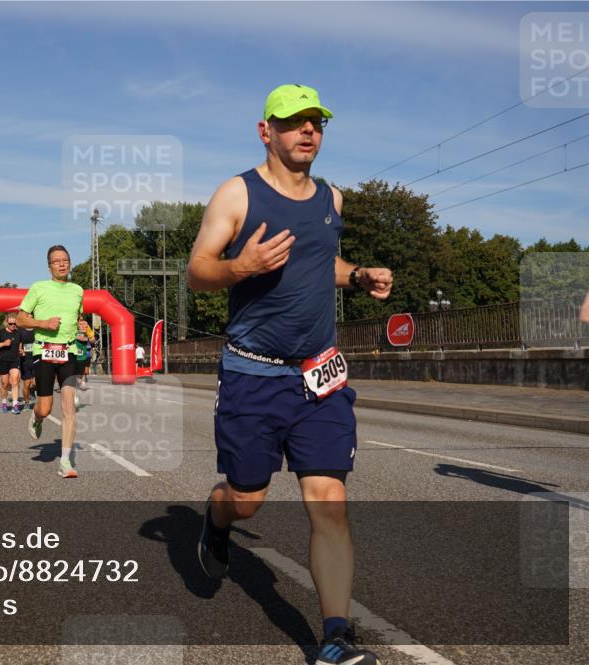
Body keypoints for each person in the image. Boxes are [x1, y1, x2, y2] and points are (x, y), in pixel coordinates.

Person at [187, 84, 393, 665]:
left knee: (328, 499)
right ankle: (218, 515)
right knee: (248, 499)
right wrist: (240, 266)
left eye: (316, 123)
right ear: (265, 131)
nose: (307, 131)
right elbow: (197, 271)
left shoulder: (333, 199)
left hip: (318, 376)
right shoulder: (237, 193)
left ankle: (334, 637)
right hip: (253, 374)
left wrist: (356, 277)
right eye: (293, 122)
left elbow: (318, 259)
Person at [17, 245, 86, 479]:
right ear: (49, 266)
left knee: (69, 407)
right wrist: (43, 323)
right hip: (44, 352)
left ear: (70, 263)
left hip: (69, 352)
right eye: (56, 261)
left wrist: (82, 326)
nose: (61, 264)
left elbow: (78, 318)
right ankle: (36, 417)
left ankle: (65, 461)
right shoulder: (39, 288)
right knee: (45, 408)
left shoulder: (78, 290)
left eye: (65, 260)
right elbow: (20, 319)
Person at [0, 315, 23, 414]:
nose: (13, 325)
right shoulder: (0, 332)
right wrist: (3, 344)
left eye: (15, 323)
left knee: (15, 381)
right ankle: (4, 402)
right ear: (6, 323)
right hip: (4, 360)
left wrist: (21, 351)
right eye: (11, 324)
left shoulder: (18, 333)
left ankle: (15, 405)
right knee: (5, 384)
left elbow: (19, 346)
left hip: (15, 360)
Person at [18, 322, 37, 410]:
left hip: (37, 359)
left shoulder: (37, 329)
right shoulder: (21, 330)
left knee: (37, 383)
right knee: (26, 384)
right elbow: (19, 343)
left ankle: (33, 390)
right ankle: (26, 403)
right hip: (25, 360)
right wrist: (20, 351)